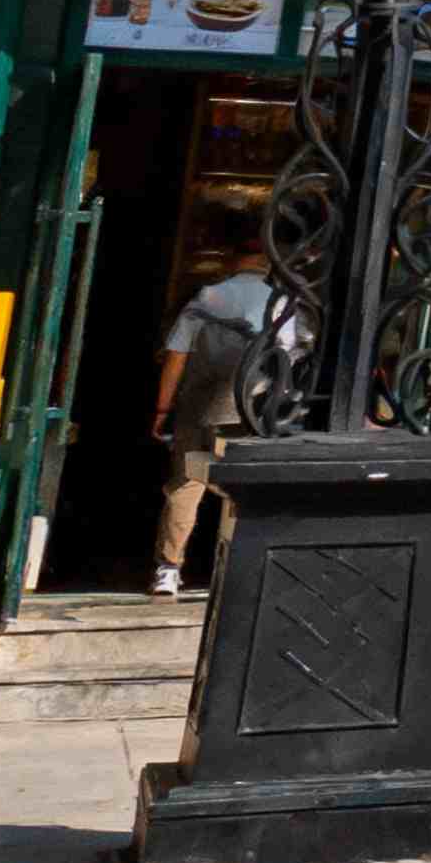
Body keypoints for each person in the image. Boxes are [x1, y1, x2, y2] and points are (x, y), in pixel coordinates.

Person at [147, 235, 275, 598]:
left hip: (195, 407)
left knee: (185, 486)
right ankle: (236, 571)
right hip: (245, 411)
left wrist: (162, 408)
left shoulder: (207, 297)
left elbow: (176, 356)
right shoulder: (278, 303)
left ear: (234, 260)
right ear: (267, 262)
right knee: (242, 490)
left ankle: (168, 569)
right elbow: (291, 356)